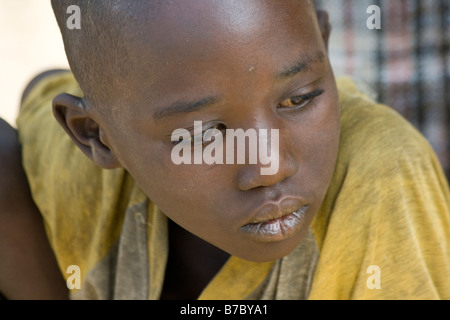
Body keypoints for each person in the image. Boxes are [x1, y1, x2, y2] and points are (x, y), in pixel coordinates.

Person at [5, 0, 450, 299]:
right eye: (201, 134)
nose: (269, 165)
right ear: (97, 137)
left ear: (325, 47)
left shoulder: (382, 174)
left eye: (298, 99)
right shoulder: (87, 179)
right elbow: (38, 95)